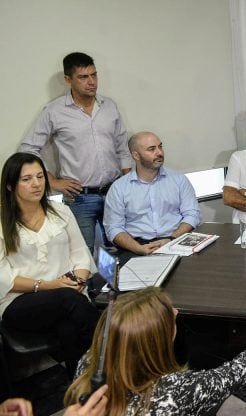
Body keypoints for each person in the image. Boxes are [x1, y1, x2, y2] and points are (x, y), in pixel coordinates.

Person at [64, 287, 246, 415]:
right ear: (154, 342)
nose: (176, 312)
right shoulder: (173, 393)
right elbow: (237, 371)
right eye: (169, 316)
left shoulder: (87, 364)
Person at [19, 52, 131, 252]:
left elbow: (121, 145)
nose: (92, 82)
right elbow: (28, 148)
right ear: (68, 79)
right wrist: (52, 181)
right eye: (83, 77)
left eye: (94, 75)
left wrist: (128, 182)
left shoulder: (109, 106)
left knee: (123, 251)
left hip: (115, 192)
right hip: (80, 198)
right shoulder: (54, 111)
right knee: (82, 257)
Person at [0, 153, 98, 377]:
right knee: (68, 301)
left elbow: (80, 252)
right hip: (18, 302)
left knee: (69, 328)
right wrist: (50, 286)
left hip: (66, 296)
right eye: (26, 179)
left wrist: (79, 279)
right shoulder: (2, 221)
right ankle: (121, 354)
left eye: (40, 176)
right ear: (9, 185)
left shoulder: (60, 211)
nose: (36, 184)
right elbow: (2, 277)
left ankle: (83, 390)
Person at [104, 132, 200, 261]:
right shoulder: (119, 188)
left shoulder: (179, 180)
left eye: (160, 147)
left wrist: (171, 239)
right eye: (151, 149)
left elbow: (192, 214)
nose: (159, 153)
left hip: (175, 240)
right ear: (136, 155)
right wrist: (138, 249)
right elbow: (114, 228)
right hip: (136, 246)